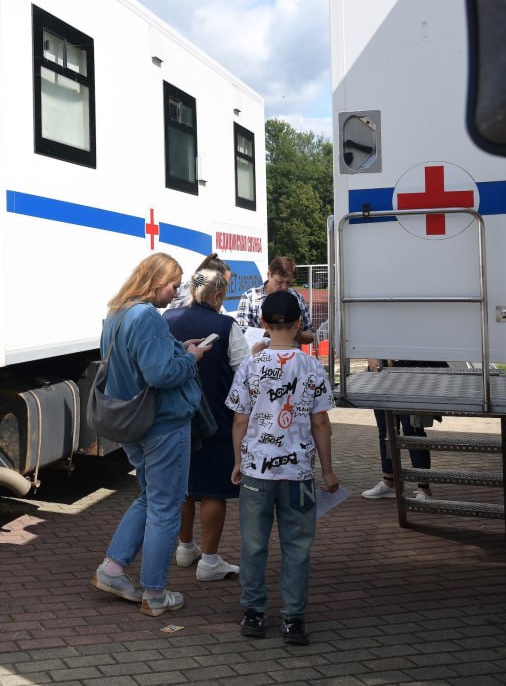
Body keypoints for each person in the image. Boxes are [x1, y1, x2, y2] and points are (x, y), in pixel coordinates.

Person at [89, 253, 212, 616]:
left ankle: (112, 569)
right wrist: (192, 358)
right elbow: (160, 374)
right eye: (174, 284)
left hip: (131, 422)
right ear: (157, 282)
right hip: (163, 424)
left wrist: (179, 349)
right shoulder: (146, 316)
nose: (176, 292)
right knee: (165, 507)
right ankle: (155, 594)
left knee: (149, 498)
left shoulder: (118, 312)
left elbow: (138, 362)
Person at [226, 290, 338, 645]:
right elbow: (321, 422)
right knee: (297, 546)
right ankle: (294, 619)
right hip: (299, 474)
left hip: (256, 471)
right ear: (298, 323)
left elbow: (239, 420)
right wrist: (328, 470)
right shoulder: (311, 367)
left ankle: (254, 613)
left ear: (262, 323)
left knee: (253, 544)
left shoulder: (250, 366)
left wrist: (238, 461)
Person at [164, 267, 248, 582]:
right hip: (216, 421)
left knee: (184, 488)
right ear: (217, 295)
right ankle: (209, 561)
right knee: (213, 491)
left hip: (175, 418)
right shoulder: (226, 325)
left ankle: (185, 547)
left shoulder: (167, 319)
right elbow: (244, 374)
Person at [360, 360, 437, 501]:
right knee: (386, 431)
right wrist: (371, 358)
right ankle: (389, 482)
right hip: (382, 377)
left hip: (409, 374)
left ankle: (424, 488)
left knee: (413, 430)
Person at [235, 256, 314, 346]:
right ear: (269, 275)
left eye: (288, 282)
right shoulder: (250, 297)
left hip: (291, 354)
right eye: (279, 282)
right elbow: (240, 330)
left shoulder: (297, 298)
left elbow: (310, 334)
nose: (284, 287)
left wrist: (296, 335)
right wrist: (272, 333)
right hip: (259, 354)